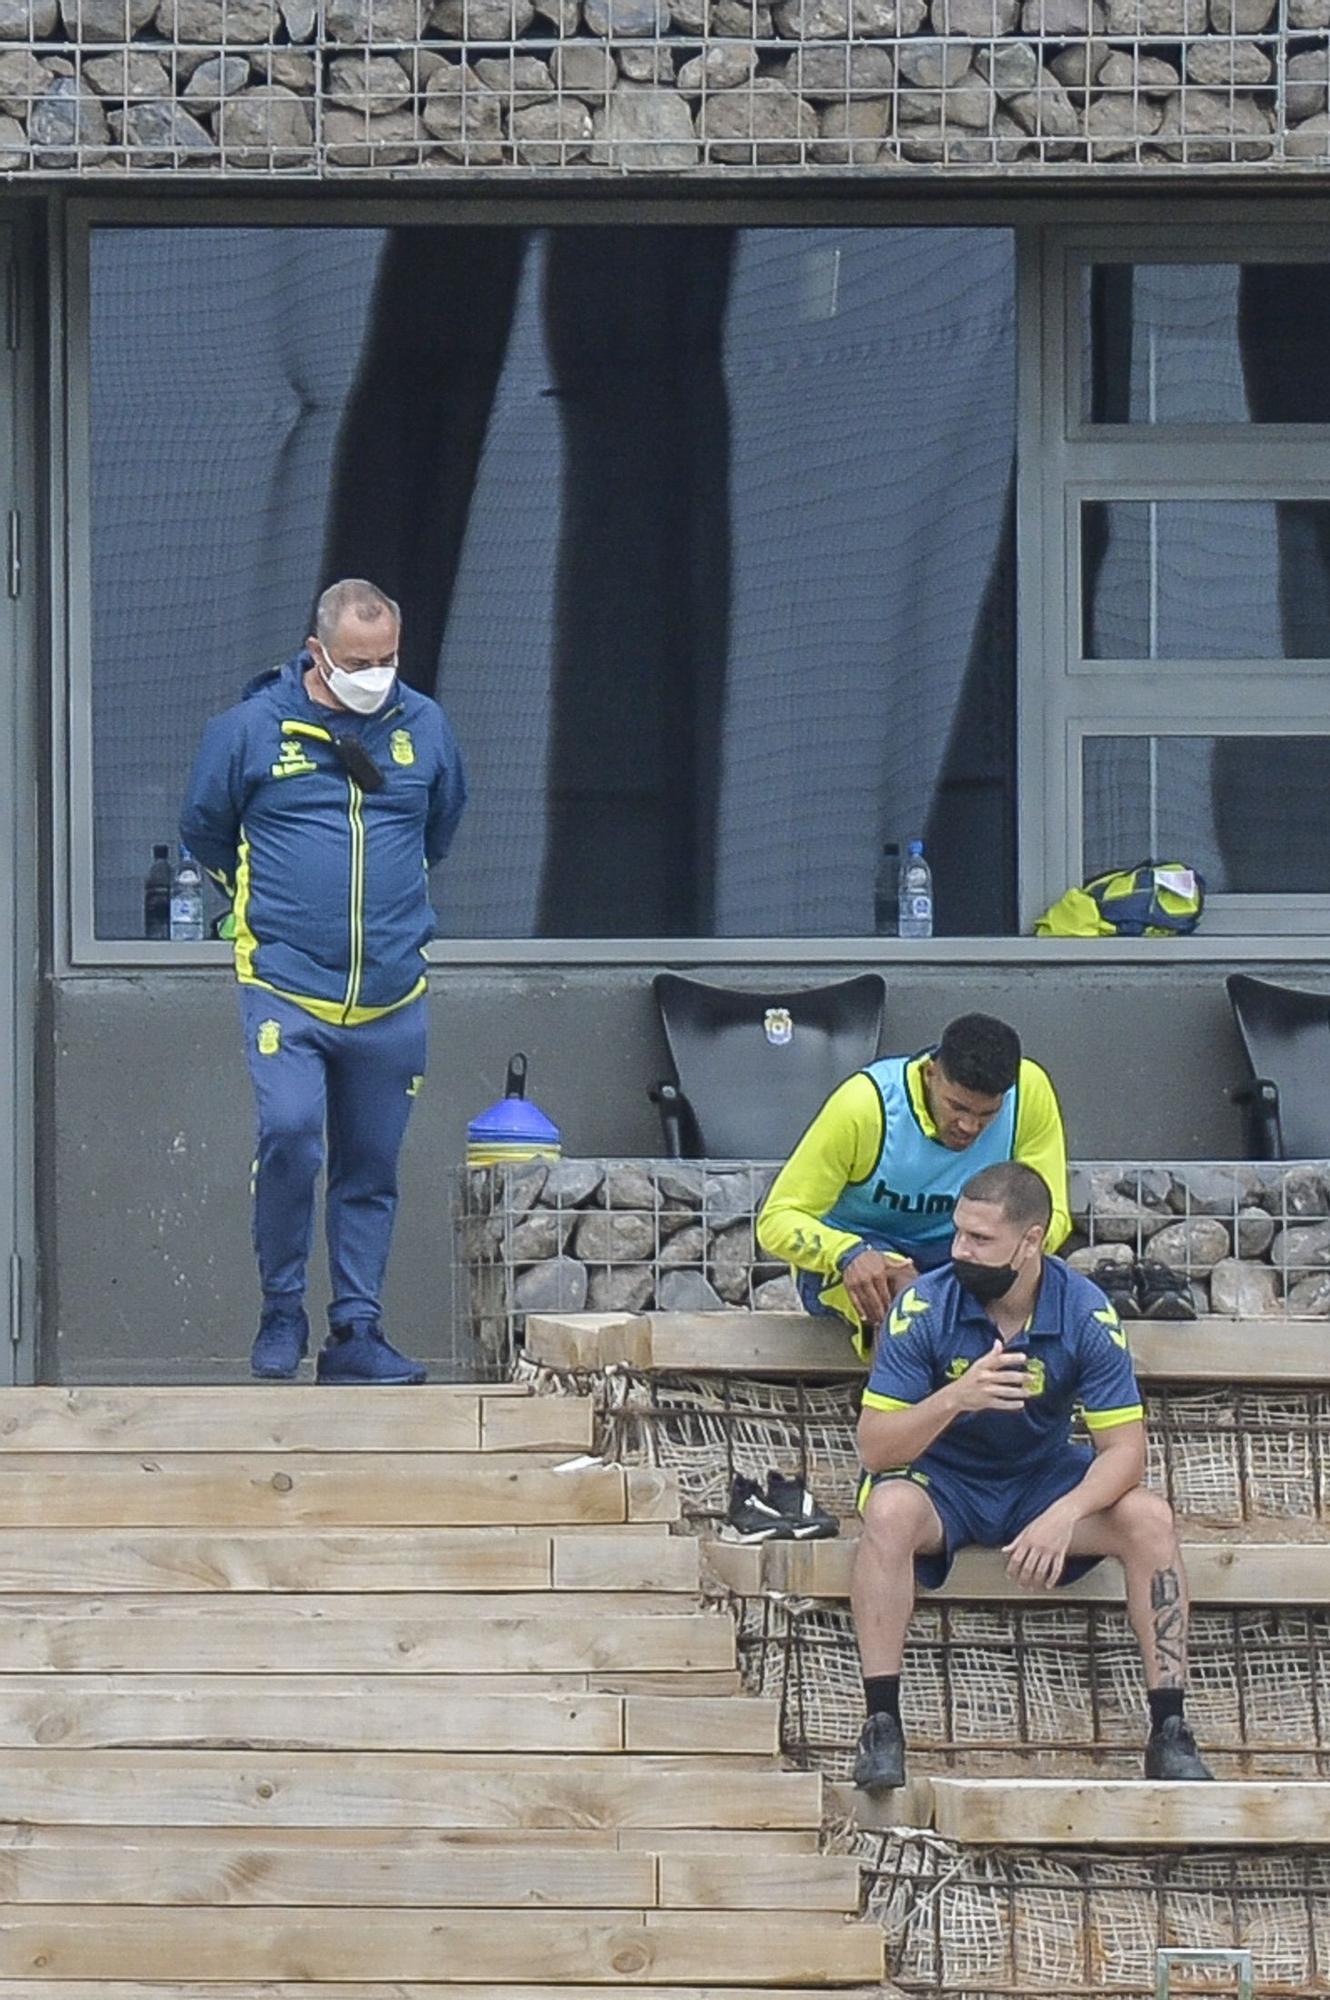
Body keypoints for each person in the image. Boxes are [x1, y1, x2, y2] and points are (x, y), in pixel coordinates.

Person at [180, 579, 467, 1384]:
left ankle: (356, 1333)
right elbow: (204, 827)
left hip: (392, 992)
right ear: (317, 655)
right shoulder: (249, 730)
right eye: (356, 661)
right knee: (291, 1136)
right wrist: (256, 905)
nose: (374, 674)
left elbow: (438, 829)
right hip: (285, 983)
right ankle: (280, 1314)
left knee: (371, 1165)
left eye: (387, 659)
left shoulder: (426, 727)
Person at [851, 1160, 1212, 1791]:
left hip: (1041, 1480)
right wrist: (954, 1399)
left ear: (1031, 1241)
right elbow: (876, 1449)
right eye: (959, 1234)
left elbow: (1125, 1451)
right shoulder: (924, 1305)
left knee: (1150, 1518)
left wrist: (1065, 1513)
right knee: (887, 1510)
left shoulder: (1084, 1312)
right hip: (944, 1483)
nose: (961, 1250)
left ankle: (1170, 1731)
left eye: (981, 1240)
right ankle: (881, 1725)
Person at [757, 1014, 1070, 1359]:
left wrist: (1000, 1259)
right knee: (907, 1312)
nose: (968, 1125)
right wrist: (848, 1253)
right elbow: (777, 1219)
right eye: (957, 1106)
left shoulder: (1029, 1092)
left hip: (963, 1250)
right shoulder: (865, 1106)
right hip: (863, 1257)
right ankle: (891, 1401)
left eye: (987, 1114)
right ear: (930, 1074)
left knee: (1026, 1285)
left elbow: (1049, 1215)